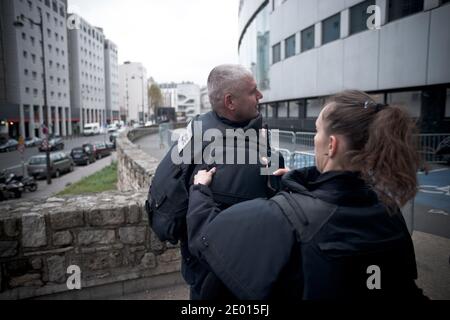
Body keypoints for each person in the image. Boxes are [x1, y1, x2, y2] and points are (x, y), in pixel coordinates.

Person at [187, 90, 427, 300]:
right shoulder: (389, 212)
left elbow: (207, 239)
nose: (315, 139)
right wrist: (307, 190)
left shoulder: (278, 219)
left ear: (331, 145)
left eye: (317, 131)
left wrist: (200, 190)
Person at [163, 64, 282, 300]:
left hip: (196, 269)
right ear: (230, 102)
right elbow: (272, 209)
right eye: (253, 91)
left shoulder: (199, 129)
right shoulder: (237, 153)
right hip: (228, 278)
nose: (260, 96)